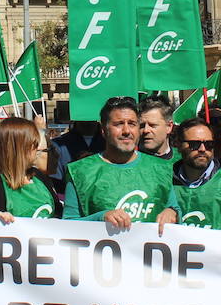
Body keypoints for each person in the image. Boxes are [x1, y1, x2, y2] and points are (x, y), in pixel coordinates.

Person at [65, 97, 172, 227]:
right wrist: (101, 217)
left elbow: (174, 209)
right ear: (104, 130)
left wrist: (172, 212)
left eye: (132, 124)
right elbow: (68, 225)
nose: (126, 131)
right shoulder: (79, 171)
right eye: (119, 124)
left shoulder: (161, 168)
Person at [156, 119, 221, 233]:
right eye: (194, 144)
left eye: (209, 144)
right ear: (178, 144)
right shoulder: (163, 180)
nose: (202, 149)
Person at [0, 118, 61, 221]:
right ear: (19, 149)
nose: (38, 149)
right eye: (34, 144)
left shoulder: (39, 176)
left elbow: (58, 214)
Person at [138, 95, 175, 160]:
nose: (145, 130)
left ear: (169, 127)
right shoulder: (129, 161)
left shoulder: (183, 160)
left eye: (152, 125)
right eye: (142, 125)